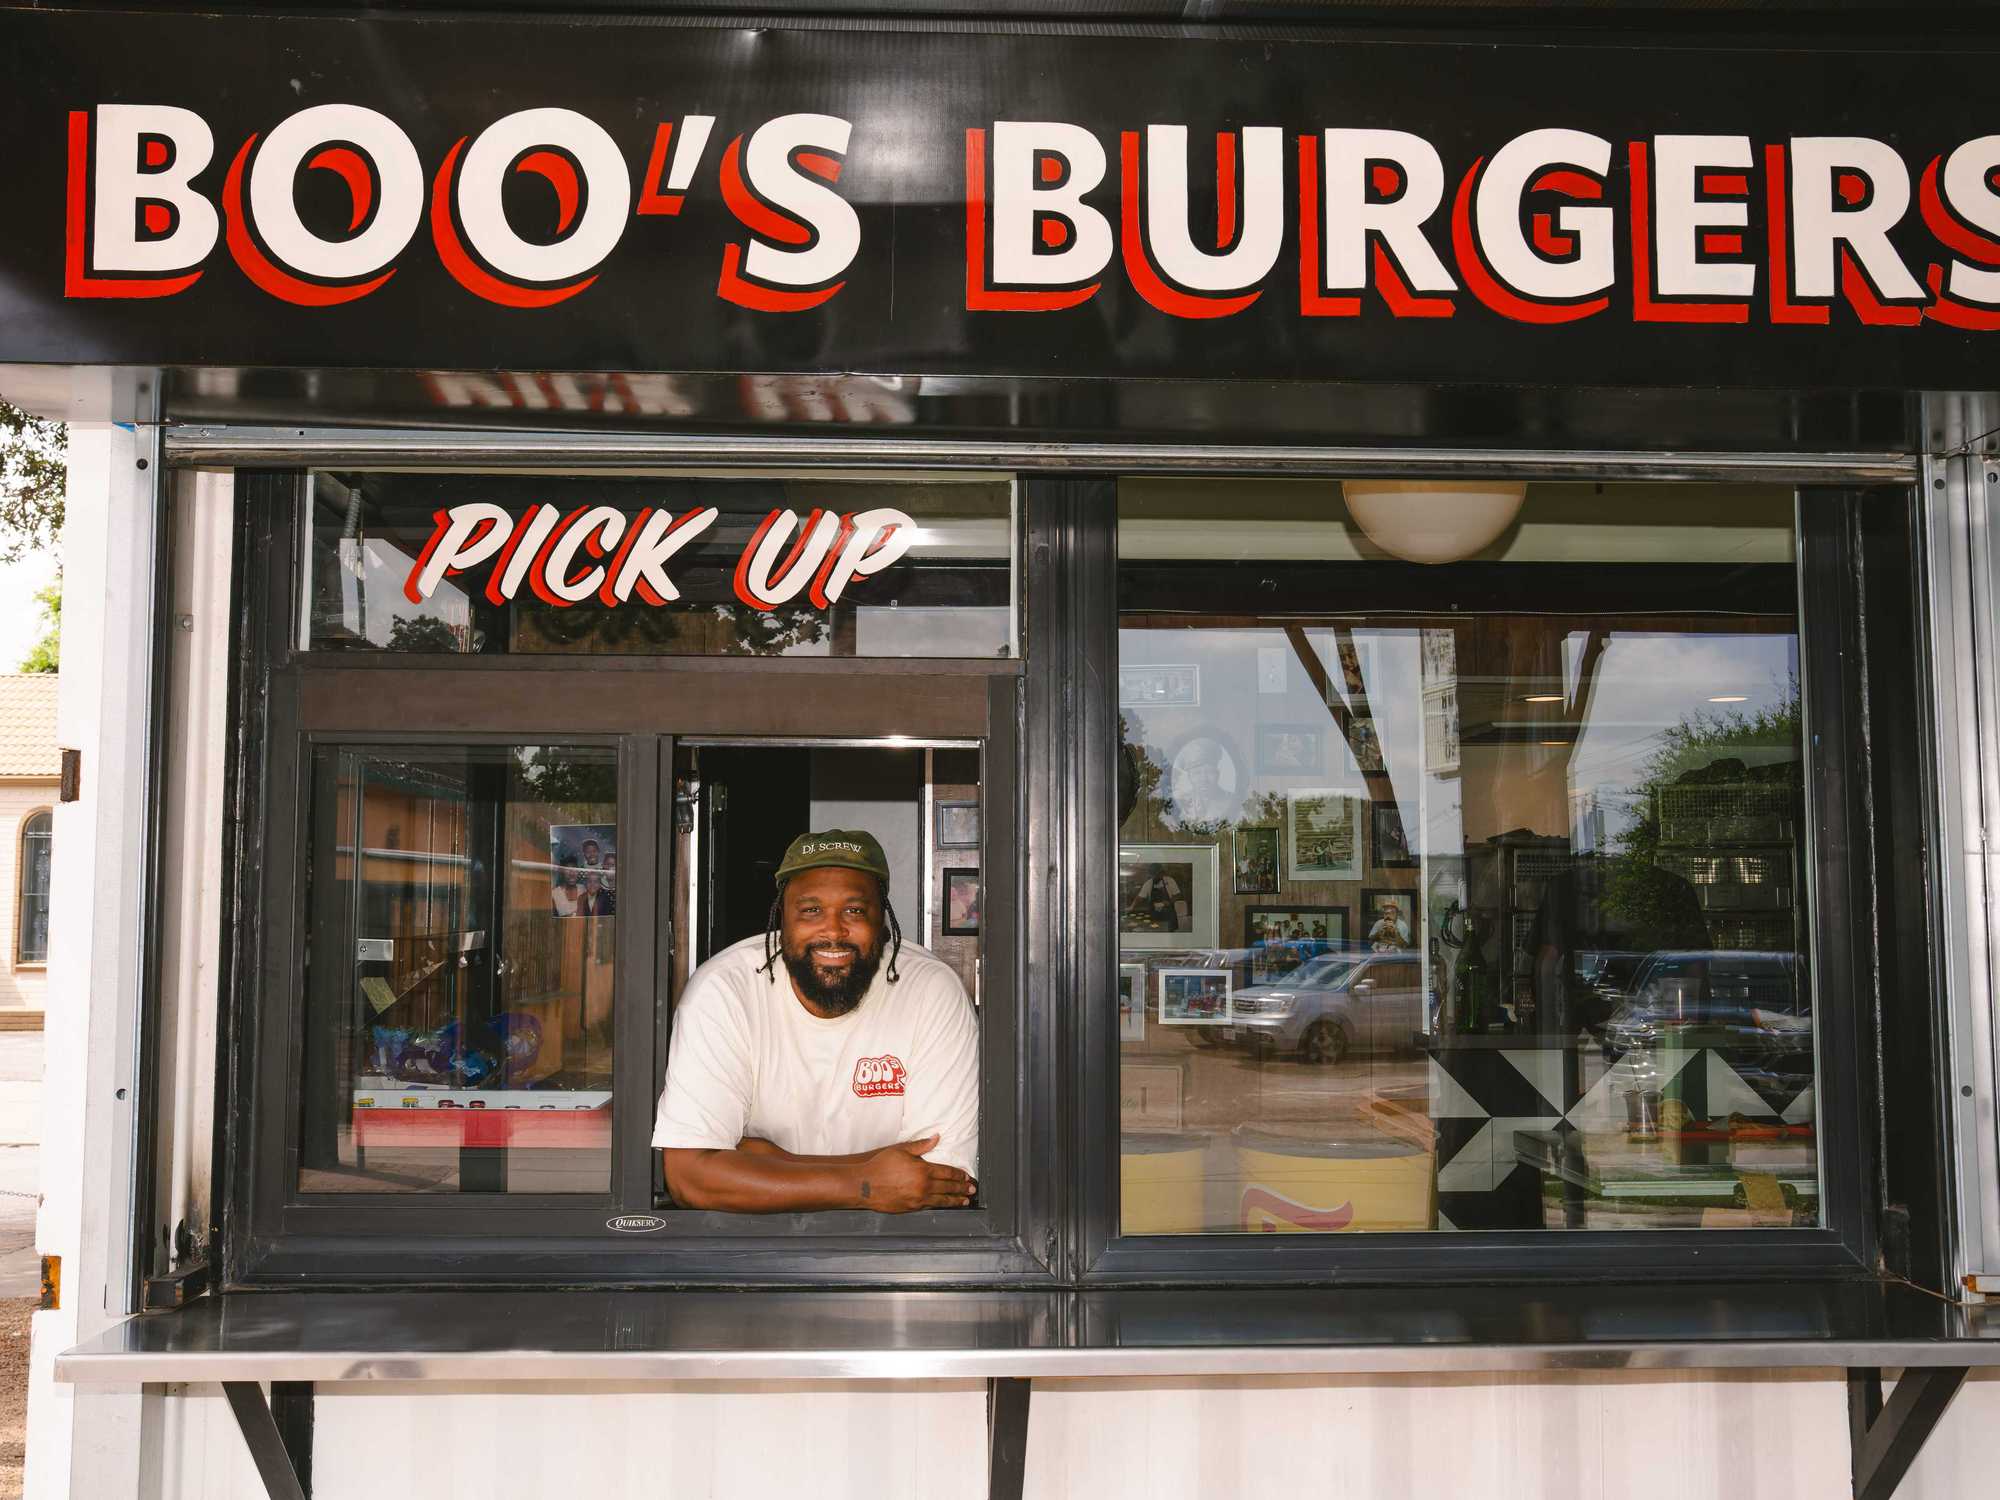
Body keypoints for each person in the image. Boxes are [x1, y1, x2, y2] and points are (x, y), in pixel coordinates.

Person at [652, 829, 980, 1213]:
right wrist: (865, 1184)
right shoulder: (724, 990)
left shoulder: (931, 989)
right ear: (781, 921)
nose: (833, 931)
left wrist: (764, 1161)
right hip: (748, 1247)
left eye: (855, 911)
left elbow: (941, 1179)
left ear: (884, 922)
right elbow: (689, 1178)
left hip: (893, 1253)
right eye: (811, 910)